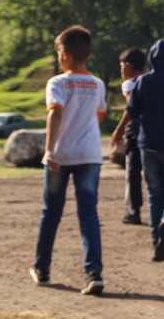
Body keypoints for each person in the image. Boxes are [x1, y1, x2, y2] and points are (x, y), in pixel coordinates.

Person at [30, 25, 107, 296]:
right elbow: (99, 116)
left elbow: (55, 113)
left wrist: (49, 150)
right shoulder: (98, 84)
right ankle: (94, 273)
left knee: (51, 212)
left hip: (60, 156)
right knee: (88, 213)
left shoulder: (58, 83)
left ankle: (42, 269)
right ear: (89, 55)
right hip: (89, 155)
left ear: (63, 54)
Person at [112, 40, 164, 262]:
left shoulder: (143, 82)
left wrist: (122, 130)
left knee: (154, 193)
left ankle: (157, 241)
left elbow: (133, 111)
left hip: (148, 144)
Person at [117, 48, 146, 226]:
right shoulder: (150, 80)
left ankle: (133, 211)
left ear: (128, 65)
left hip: (135, 132)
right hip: (153, 131)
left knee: (133, 172)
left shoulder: (129, 84)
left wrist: (118, 129)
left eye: (121, 66)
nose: (121, 70)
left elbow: (131, 108)